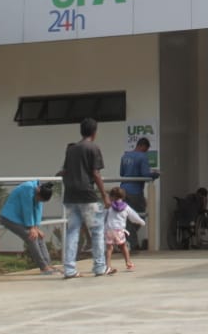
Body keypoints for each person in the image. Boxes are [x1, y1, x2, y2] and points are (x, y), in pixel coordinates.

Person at [59, 118, 114, 278]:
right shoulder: (93, 148)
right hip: (87, 194)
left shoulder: (71, 149)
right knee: (97, 230)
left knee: (72, 231)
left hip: (70, 194)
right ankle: (99, 267)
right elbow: (96, 173)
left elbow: (64, 171)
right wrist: (105, 195)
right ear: (94, 132)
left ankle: (69, 269)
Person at [0, 180, 59, 274]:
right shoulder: (27, 188)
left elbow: (38, 209)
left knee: (39, 236)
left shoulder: (39, 190)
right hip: (9, 218)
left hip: (20, 219)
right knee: (31, 237)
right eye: (39, 199)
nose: (39, 201)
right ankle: (44, 268)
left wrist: (36, 227)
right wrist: (32, 228)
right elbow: (27, 209)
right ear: (38, 191)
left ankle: (48, 265)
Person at [119, 137, 159, 249]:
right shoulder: (142, 156)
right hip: (135, 191)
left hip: (123, 190)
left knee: (127, 217)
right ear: (142, 146)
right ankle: (133, 242)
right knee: (140, 216)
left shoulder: (125, 156)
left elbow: (122, 173)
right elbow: (145, 174)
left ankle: (127, 239)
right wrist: (155, 175)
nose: (145, 152)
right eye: (146, 149)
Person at [105, 186, 146, 271]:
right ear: (123, 197)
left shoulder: (109, 207)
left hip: (109, 230)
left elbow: (103, 217)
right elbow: (133, 216)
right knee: (123, 246)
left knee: (109, 248)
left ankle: (108, 266)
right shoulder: (125, 207)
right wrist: (141, 221)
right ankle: (128, 262)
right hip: (119, 231)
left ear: (111, 197)